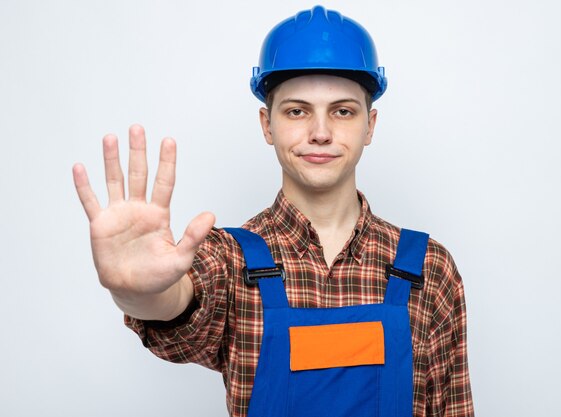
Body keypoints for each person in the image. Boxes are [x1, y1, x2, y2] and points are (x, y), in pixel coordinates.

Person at [73, 5, 473, 417]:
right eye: (297, 111)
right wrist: (139, 292)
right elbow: (176, 307)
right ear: (267, 124)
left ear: (370, 125)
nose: (320, 132)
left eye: (343, 111)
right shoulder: (230, 259)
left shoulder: (429, 268)